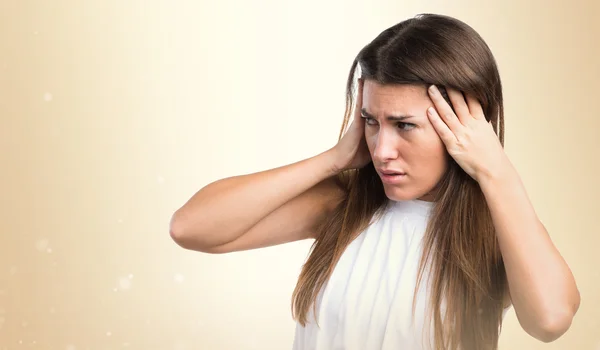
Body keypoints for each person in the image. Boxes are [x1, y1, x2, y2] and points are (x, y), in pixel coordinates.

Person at [169, 13, 580, 350]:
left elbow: (550, 319)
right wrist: (335, 158)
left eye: (404, 125)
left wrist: (495, 169)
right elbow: (191, 228)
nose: (382, 150)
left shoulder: (497, 225)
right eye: (370, 121)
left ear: (468, 122)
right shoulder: (343, 207)